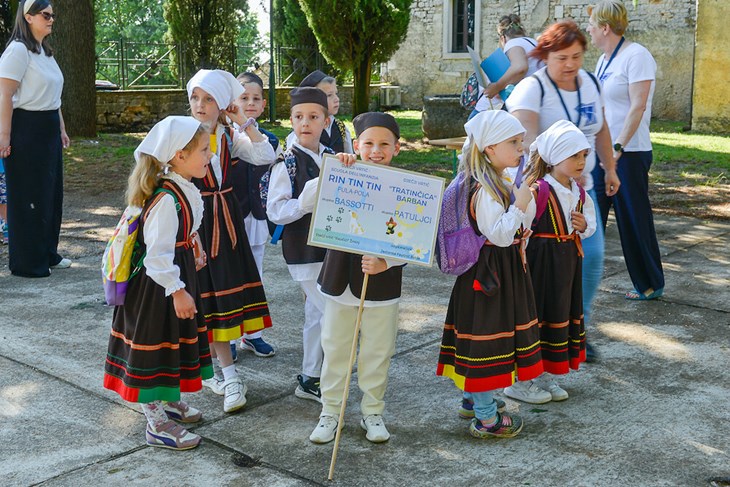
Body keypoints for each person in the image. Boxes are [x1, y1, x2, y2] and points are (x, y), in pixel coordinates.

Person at [506, 19, 620, 365]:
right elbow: (523, 145)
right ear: (545, 57)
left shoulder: (589, 84)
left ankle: (575, 326)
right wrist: (532, 192)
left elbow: (600, 129)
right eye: (561, 58)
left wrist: (609, 168)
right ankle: (535, 332)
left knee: (592, 256)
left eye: (576, 56)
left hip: (581, 188)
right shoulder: (532, 89)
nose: (570, 65)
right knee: (544, 265)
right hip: (546, 192)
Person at [103, 116, 213, 451]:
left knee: (172, 344)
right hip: (158, 288)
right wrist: (178, 291)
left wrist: (194, 245)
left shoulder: (181, 186)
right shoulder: (167, 198)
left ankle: (167, 399)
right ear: (179, 155)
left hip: (174, 276)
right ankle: (155, 422)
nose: (210, 155)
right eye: (204, 150)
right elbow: (157, 256)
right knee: (153, 349)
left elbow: (183, 230)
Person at [436, 110, 542, 439]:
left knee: (482, 338)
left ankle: (473, 399)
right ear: (489, 149)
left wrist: (525, 202)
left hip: (498, 273)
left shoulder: (499, 182)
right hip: (489, 279)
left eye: (521, 141)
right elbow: (498, 234)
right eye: (513, 142)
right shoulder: (484, 190)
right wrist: (520, 203)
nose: (520, 148)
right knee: (485, 342)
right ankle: (486, 418)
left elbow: (520, 226)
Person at [308, 112, 406, 445]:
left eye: (384, 144)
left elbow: (412, 238)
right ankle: (330, 412)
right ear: (355, 145)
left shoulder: (406, 189)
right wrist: (336, 167)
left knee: (378, 352)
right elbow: (318, 203)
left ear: (396, 148)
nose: (375, 151)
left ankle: (372, 411)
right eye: (368, 143)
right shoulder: (342, 170)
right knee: (335, 349)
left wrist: (387, 262)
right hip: (339, 282)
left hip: (382, 285)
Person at [186, 69, 275, 413]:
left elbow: (264, 156)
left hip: (226, 221)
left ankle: (227, 373)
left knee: (220, 297)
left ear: (222, 103)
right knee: (202, 296)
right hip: (195, 222)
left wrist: (244, 122)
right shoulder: (182, 133)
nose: (200, 105)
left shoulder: (227, 134)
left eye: (209, 99)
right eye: (195, 97)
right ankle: (220, 371)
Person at [587, 0, 664, 301]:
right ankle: (578, 281)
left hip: (629, 153)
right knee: (590, 217)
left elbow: (638, 106)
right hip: (602, 150)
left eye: (592, 26)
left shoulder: (637, 56)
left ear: (606, 28)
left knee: (633, 219)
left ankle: (649, 283)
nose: (589, 31)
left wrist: (618, 146)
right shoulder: (603, 61)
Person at [517, 120, 597, 402]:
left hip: (566, 265)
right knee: (536, 316)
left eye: (584, 155)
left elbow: (592, 227)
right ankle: (521, 381)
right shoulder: (538, 190)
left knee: (558, 315)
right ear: (554, 158)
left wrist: (583, 225)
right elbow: (520, 228)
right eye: (574, 155)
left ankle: (546, 375)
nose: (580, 161)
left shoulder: (579, 193)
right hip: (540, 266)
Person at [266, 87, 334, 403]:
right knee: (331, 311)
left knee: (317, 314)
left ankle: (310, 377)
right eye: (298, 117)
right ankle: (323, 375)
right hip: (303, 252)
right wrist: (304, 203)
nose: (305, 123)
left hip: (331, 249)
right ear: (291, 120)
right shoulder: (287, 162)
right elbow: (275, 210)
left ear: (325, 120)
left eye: (313, 117)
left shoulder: (331, 157)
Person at [0, 0, 71, 277]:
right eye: (45, 15)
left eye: (52, 15)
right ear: (28, 17)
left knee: (50, 194)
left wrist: (61, 128)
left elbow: (55, 98)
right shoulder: (18, 50)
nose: (51, 19)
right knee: (29, 194)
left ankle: (47, 253)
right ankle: (28, 263)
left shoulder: (45, 52)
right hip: (26, 128)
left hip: (48, 127)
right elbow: (5, 95)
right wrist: (4, 136)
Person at [229, 71, 280, 358]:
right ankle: (231, 337)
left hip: (257, 217)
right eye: (244, 97)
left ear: (263, 105)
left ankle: (253, 334)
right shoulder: (224, 134)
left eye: (256, 98)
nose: (250, 103)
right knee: (231, 277)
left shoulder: (269, 139)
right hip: (231, 216)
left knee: (255, 276)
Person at [470, 14, 543, 119]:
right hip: (536, 101)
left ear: (502, 38)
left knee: (474, 121)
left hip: (526, 102)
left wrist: (497, 87)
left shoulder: (513, 43)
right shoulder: (533, 43)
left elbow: (520, 67)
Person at [285, 70, 353, 153]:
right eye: (329, 95)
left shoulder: (340, 128)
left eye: (336, 93)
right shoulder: (299, 134)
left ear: (326, 122)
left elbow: (349, 156)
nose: (336, 99)